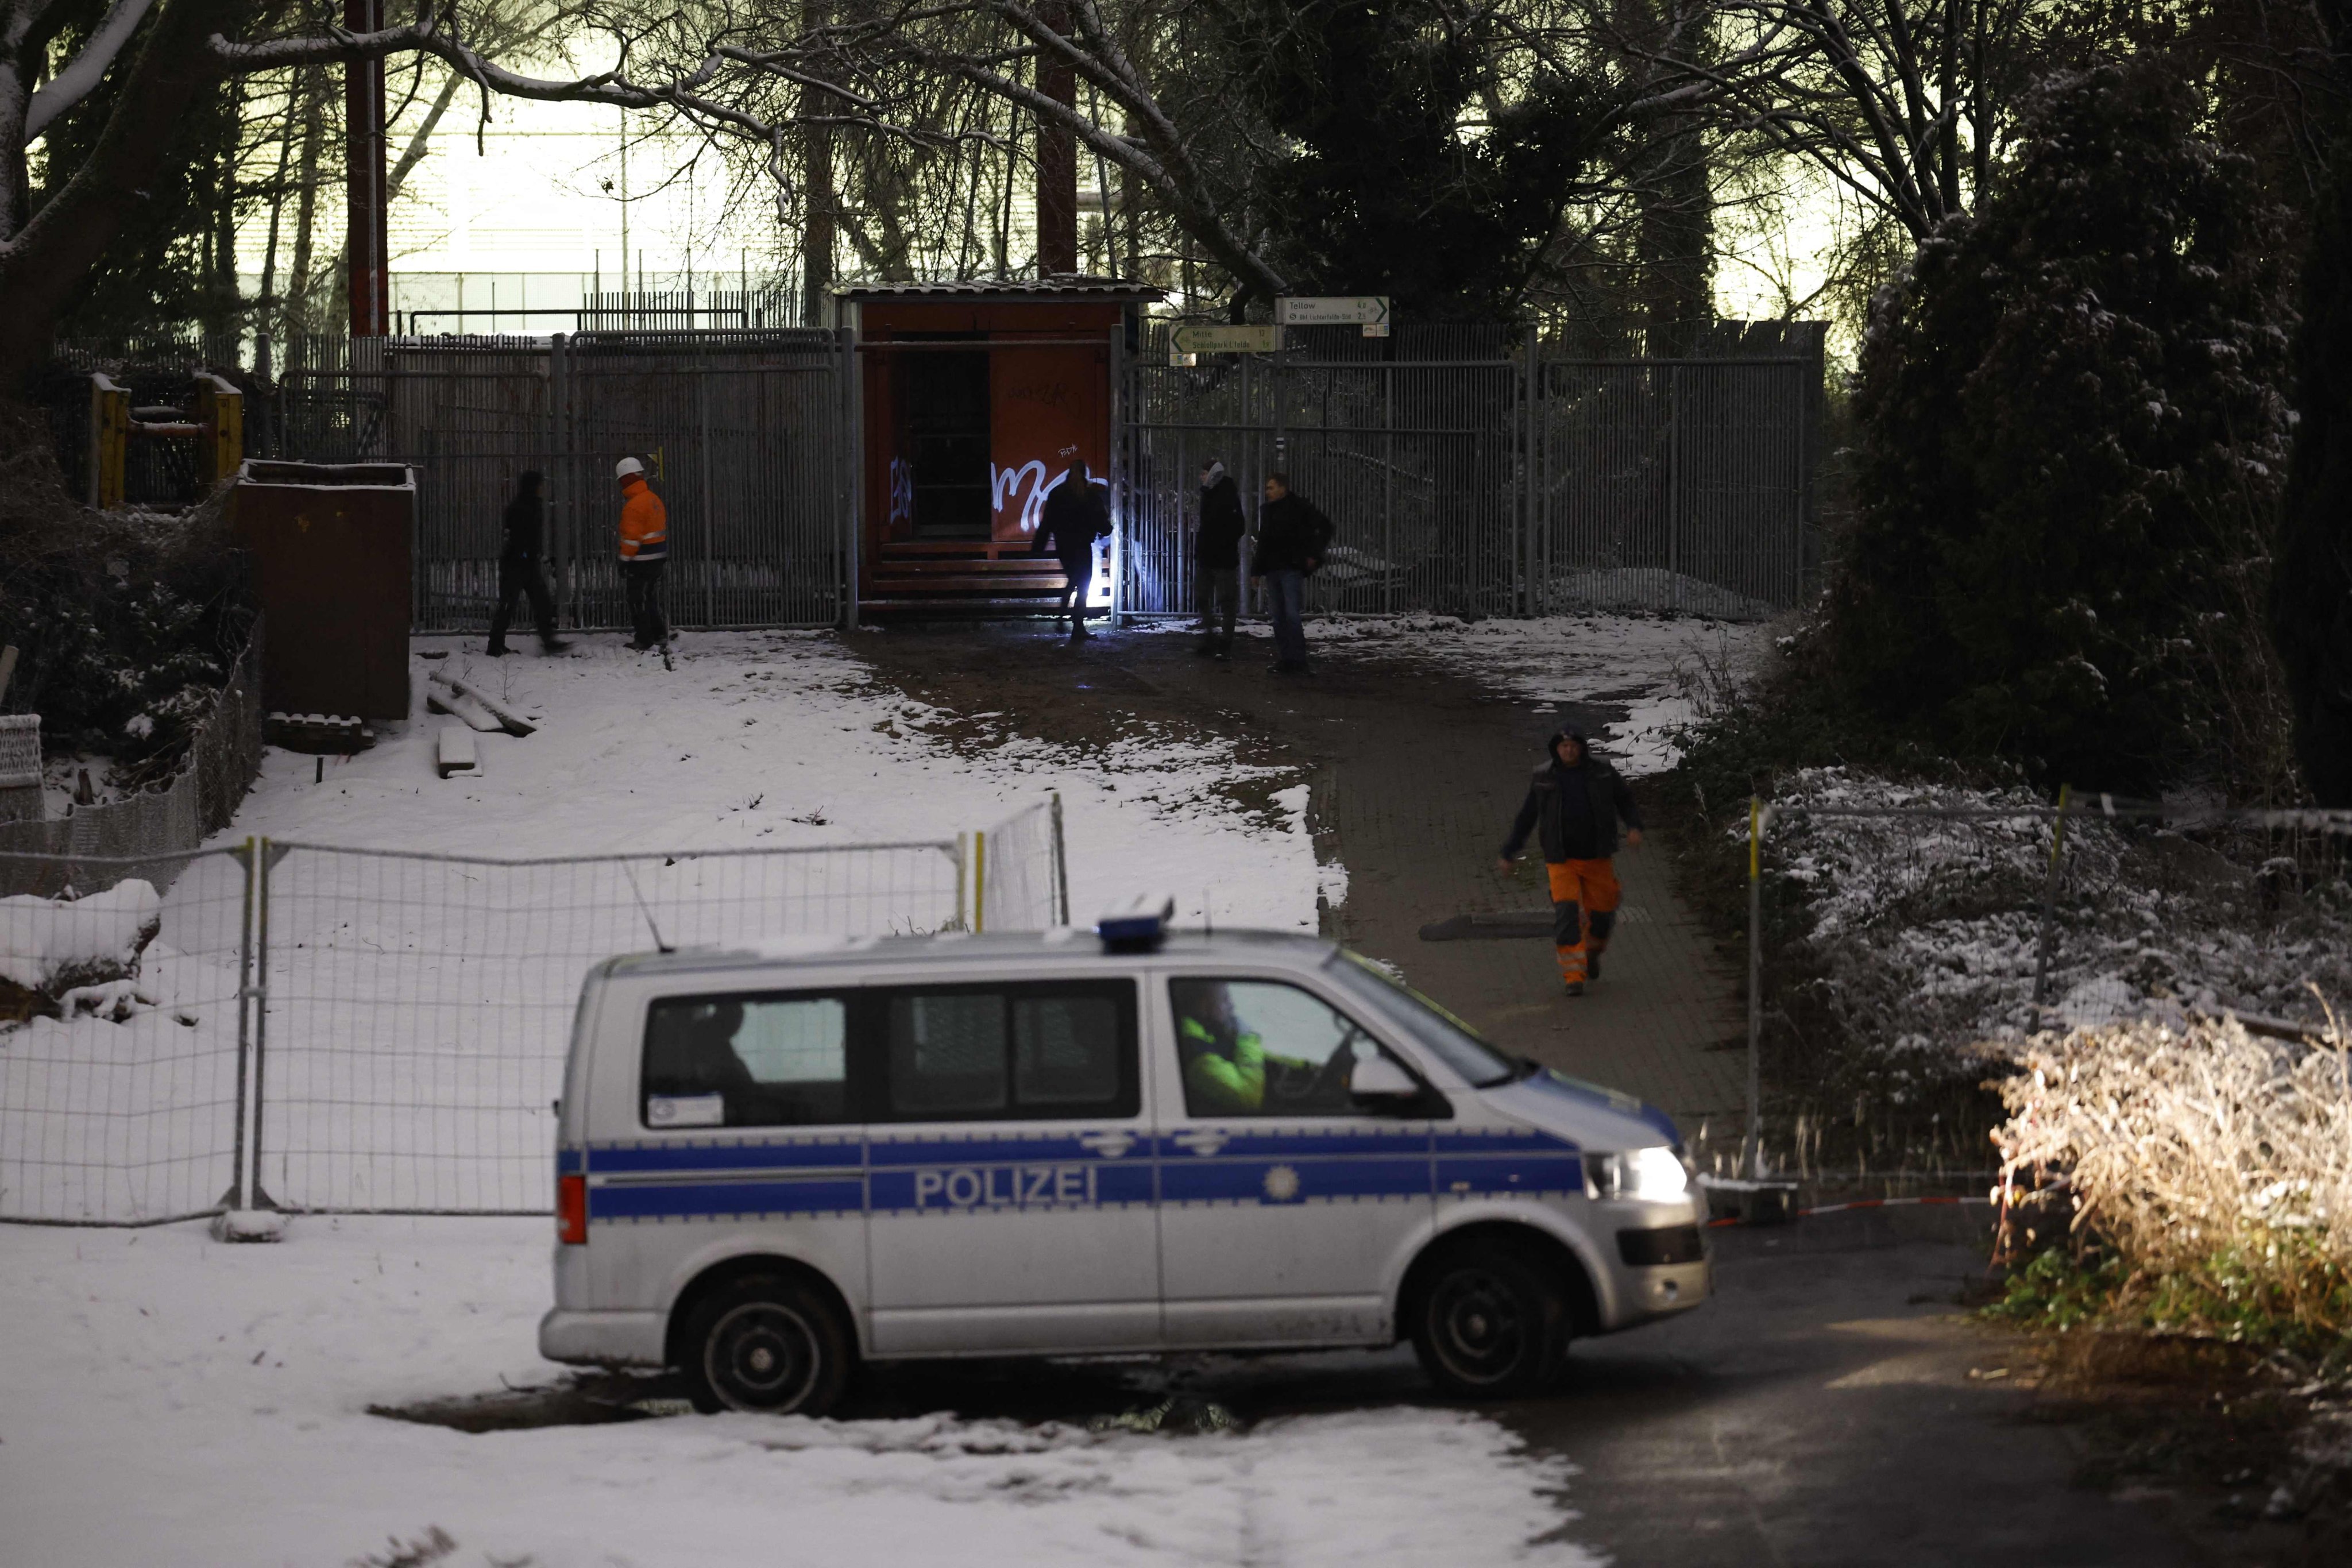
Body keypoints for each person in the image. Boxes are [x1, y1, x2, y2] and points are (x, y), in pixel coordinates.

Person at [1496, 726, 1644, 997]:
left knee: (1602, 915)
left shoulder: (1602, 772)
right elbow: (1527, 816)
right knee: (1566, 916)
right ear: (1556, 749)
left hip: (1597, 857)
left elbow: (1625, 800)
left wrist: (1634, 826)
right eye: (1564, 746)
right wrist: (1510, 852)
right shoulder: (1543, 778)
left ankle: (1592, 951)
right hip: (1561, 860)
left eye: (1573, 745)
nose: (1569, 750)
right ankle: (1573, 976)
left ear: (1582, 748)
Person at [1249, 472, 1333, 675]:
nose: (1268, 492)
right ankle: (1288, 659)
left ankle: (1297, 660)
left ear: (1282, 488)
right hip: (1275, 568)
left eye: (1271, 487)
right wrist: (1257, 571)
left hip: (1290, 568)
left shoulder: (1299, 508)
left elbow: (1325, 527)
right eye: (1267, 488)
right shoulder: (1269, 510)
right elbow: (1264, 541)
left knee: (1291, 615)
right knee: (1279, 616)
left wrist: (1313, 553)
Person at [485, 470, 570, 657]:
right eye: (540, 484)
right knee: (510, 605)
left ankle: (548, 642)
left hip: (524, 563)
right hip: (516, 563)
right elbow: (517, 537)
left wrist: (532, 554)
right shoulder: (522, 507)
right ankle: (495, 645)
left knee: (541, 603)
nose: (542, 488)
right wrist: (527, 554)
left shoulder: (529, 505)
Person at [1029, 454, 1111, 640]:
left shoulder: (1057, 493)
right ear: (1084, 473)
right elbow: (1101, 521)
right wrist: (1107, 529)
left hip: (1064, 546)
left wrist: (1038, 546)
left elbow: (1047, 522)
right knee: (1082, 584)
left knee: (1073, 579)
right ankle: (1077, 627)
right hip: (1082, 545)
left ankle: (1061, 618)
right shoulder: (1089, 495)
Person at [1171, 980, 1268, 1114]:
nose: (1232, 1006)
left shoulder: (1207, 1032)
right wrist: (1247, 1038)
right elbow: (1248, 1097)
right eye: (1225, 1000)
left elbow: (1262, 1057)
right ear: (1204, 1006)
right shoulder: (1195, 1051)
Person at [1194, 459, 1246, 659]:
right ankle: (1214, 639)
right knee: (1203, 597)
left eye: (1204, 473)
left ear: (1213, 473)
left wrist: (1220, 541)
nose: (1201, 476)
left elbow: (1237, 526)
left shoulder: (1226, 494)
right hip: (1210, 556)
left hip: (1222, 557)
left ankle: (1224, 643)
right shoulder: (1209, 493)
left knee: (1226, 601)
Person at [615, 455, 669, 651]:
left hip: (641, 560)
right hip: (657, 557)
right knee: (649, 596)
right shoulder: (654, 499)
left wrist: (624, 560)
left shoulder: (634, 505)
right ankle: (659, 633)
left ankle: (644, 638)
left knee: (637, 599)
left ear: (625, 480)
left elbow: (631, 538)